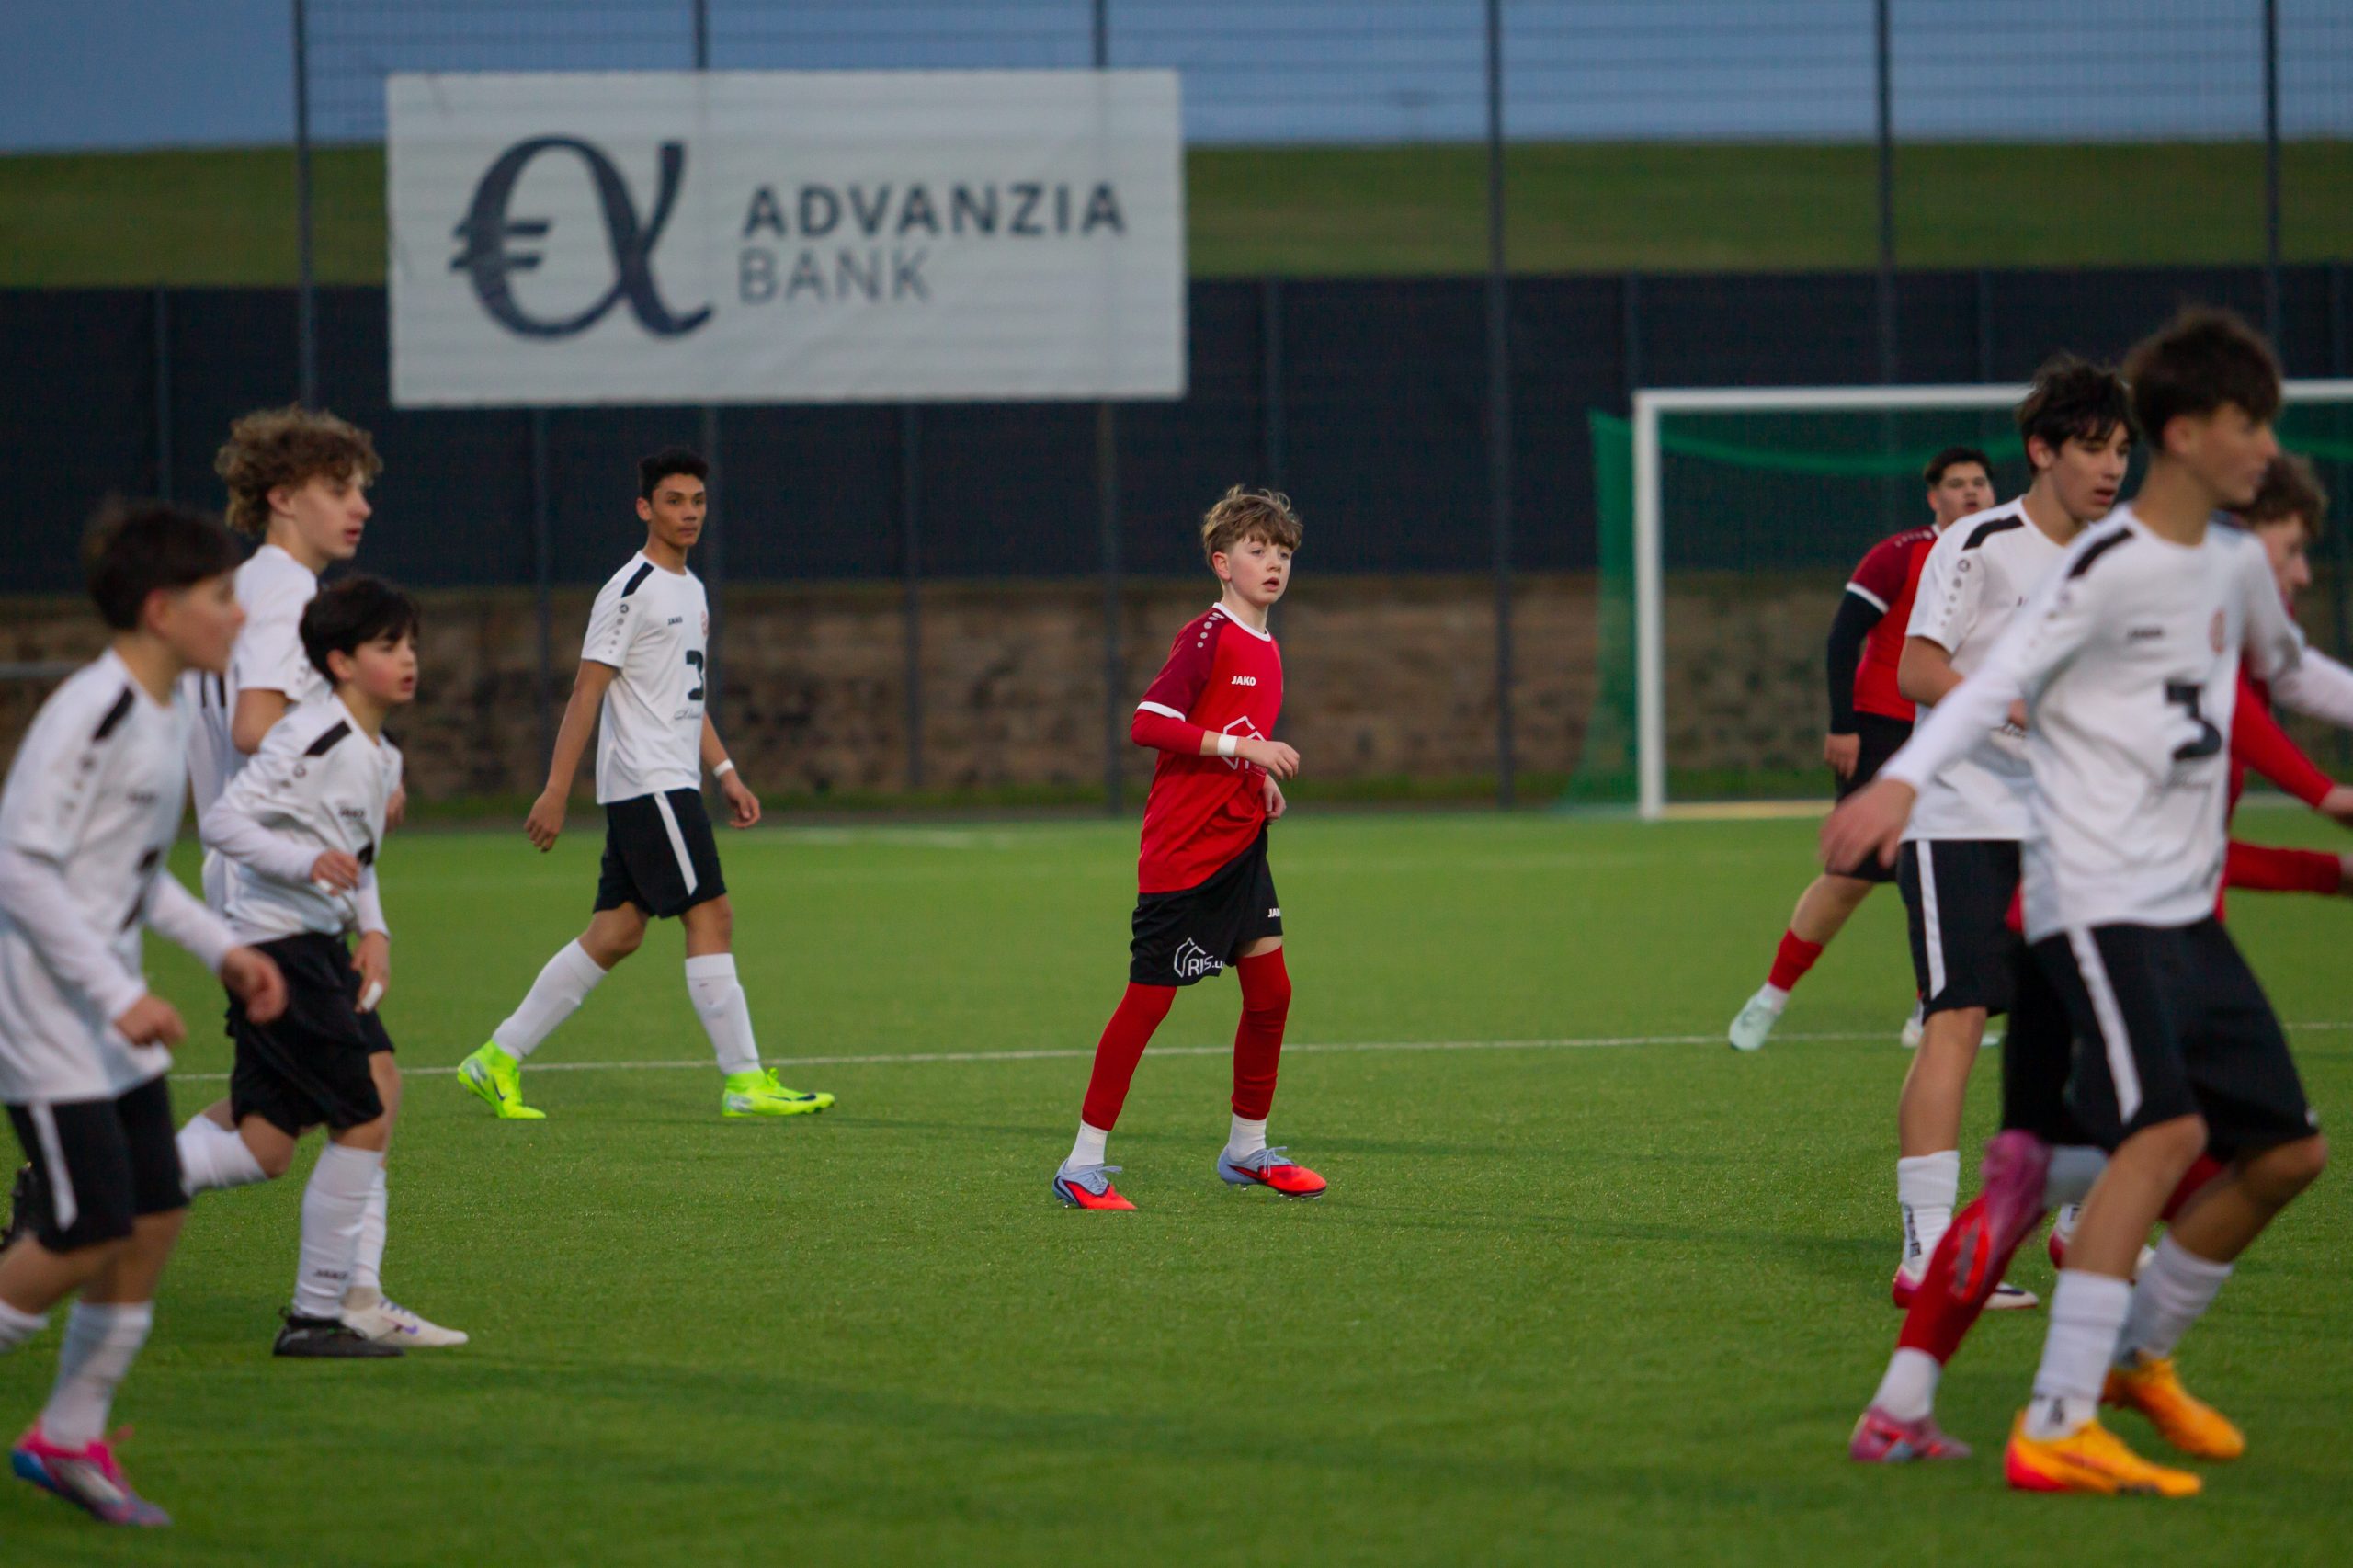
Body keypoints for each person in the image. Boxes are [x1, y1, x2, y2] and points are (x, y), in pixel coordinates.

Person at [1826, 308, 2353, 1495]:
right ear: (2188, 432)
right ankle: (2065, 1396)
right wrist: (1900, 779)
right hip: (2075, 888)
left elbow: (2287, 677)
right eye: (2250, 423)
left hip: (2156, 903)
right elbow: (1973, 682)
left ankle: (1951, 1392)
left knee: (2212, 1155)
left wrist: (2319, 810)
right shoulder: (2078, 564)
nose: (2267, 447)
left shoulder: (2217, 564)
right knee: (2135, 1130)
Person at [0, 503, 287, 1526]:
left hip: (102, 1019)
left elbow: (132, 874)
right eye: (222, 596)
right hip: (48, 1021)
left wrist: (222, 949)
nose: (239, 615)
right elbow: (20, 869)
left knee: (155, 1208)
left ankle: (67, 1435)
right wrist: (119, 993)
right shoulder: (94, 712)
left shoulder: (165, 711)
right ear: (163, 610)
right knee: (86, 1229)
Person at [165, 406, 433, 1341]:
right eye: (337, 488)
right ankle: (344, 1301)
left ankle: (98, 1184)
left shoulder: (244, 588)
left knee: (270, 1128)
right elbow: (255, 724)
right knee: (371, 1085)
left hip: (256, 882)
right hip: (271, 890)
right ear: (281, 497)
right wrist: (352, 760)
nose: (359, 505)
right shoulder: (284, 594)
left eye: (361, 488)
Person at [458, 449, 831, 1119]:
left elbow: (687, 695)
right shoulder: (629, 589)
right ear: (644, 508)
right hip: (650, 782)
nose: (689, 513)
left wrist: (726, 772)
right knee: (712, 915)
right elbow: (586, 692)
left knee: (617, 932)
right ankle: (744, 1082)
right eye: (673, 501)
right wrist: (554, 790)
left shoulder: (693, 588)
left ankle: (496, 1058)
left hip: (671, 780)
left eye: (698, 501)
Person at [1882, 359, 2131, 1309]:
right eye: (2092, 448)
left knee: (2098, 1020)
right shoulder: (1979, 540)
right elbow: (1915, 669)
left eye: (2122, 450)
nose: (2111, 468)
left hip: (2069, 824)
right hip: (1961, 815)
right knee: (1958, 1018)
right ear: (2042, 450)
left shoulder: (2118, 555)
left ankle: (2083, 1224)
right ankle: (1927, 1253)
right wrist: (2017, 710)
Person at [197, 575, 464, 1353]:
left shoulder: (381, 755)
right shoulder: (310, 737)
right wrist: (303, 863)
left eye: (410, 644)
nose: (408, 659)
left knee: (266, 1143)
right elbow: (223, 821)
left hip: (318, 947)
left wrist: (373, 929)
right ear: (341, 662)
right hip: (277, 948)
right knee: (366, 1109)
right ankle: (321, 1314)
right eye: (387, 646)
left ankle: (100, 1187)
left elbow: (357, 859)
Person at [1051, 486, 1319, 1211]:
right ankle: (1081, 1163)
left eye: (1284, 552)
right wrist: (1247, 749)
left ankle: (1246, 1149)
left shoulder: (1268, 646)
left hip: (1241, 847)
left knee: (1273, 994)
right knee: (1147, 1004)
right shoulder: (1207, 636)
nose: (1274, 563)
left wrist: (1257, 778)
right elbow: (1148, 721)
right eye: (1257, 550)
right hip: (1184, 857)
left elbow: (1233, 731)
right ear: (1222, 563)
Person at [1729, 448, 1994, 1053]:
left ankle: (1931, 1010)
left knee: (1949, 872)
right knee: (1849, 876)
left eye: (1980, 482)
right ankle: (1772, 995)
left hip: (1964, 732)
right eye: (1957, 484)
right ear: (1933, 497)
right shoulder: (1900, 555)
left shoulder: (2007, 556)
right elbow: (1843, 634)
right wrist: (1843, 724)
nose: (1971, 493)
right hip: (1886, 729)